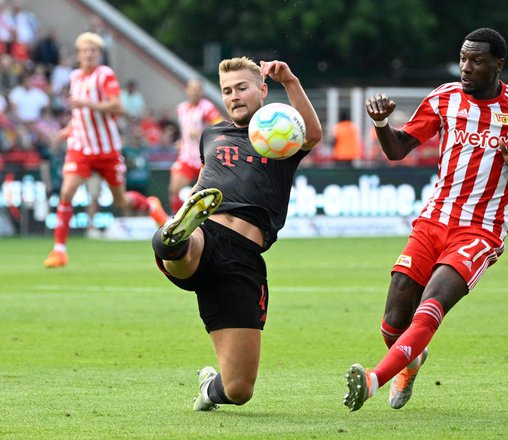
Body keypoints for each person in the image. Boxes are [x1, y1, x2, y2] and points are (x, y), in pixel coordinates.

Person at [342, 28, 508, 412]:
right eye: (463, 58)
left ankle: (375, 380)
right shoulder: (443, 99)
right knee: (394, 318)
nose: (466, 67)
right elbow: (397, 150)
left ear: (498, 64)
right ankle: (410, 363)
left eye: (477, 61)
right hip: (434, 220)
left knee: (431, 304)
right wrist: (380, 125)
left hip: (481, 230)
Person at [150, 57, 322, 411]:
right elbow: (204, 181)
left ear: (261, 90)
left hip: (244, 259)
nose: (234, 96)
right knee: (181, 245)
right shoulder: (212, 133)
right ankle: (175, 237)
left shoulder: (283, 137)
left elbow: (314, 134)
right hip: (207, 233)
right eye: (227, 90)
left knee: (239, 390)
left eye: (242, 88)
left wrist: (290, 81)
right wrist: (189, 213)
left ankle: (209, 389)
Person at [43, 32, 168, 268]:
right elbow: (80, 113)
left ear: (98, 54)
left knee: (120, 201)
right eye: (85, 50)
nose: (89, 54)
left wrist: (88, 104)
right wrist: (68, 129)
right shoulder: (75, 77)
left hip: (107, 149)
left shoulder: (105, 75)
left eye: (93, 50)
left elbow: (118, 107)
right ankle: (59, 250)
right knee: (67, 192)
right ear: (78, 54)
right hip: (81, 148)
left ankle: (151, 205)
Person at [169, 78, 223, 213]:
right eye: (192, 89)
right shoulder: (181, 109)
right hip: (186, 157)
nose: (194, 92)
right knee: (174, 189)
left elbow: (220, 124)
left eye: (197, 89)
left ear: (201, 91)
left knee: (204, 194)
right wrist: (181, 142)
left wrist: (201, 132)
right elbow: (184, 131)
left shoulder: (206, 107)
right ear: (187, 90)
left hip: (204, 159)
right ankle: (176, 221)